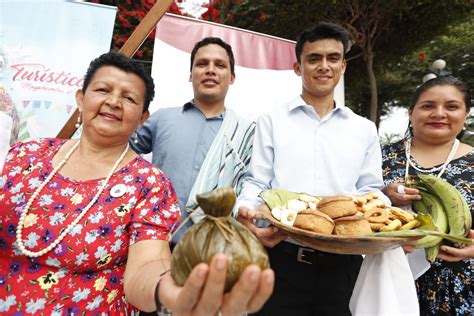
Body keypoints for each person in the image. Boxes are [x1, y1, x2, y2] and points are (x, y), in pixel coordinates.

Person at [0, 51, 273, 315]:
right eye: (102, 90)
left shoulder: (149, 184)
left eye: (129, 98)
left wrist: (168, 290)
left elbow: (149, 263)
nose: (114, 102)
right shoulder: (25, 155)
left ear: (143, 118)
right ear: (81, 99)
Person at [236, 22, 387, 315]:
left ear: (343, 65)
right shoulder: (272, 121)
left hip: (344, 265)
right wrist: (244, 210)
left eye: (333, 58)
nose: (324, 66)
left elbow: (371, 190)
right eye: (313, 58)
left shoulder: (364, 129)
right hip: (281, 257)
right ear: (297, 66)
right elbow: (258, 181)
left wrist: (382, 207)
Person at [131, 37, 255, 243]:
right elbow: (120, 154)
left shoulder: (246, 133)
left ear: (232, 77)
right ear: (191, 75)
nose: (210, 70)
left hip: (214, 248)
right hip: (154, 243)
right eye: (202, 64)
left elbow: (252, 186)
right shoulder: (162, 118)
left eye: (220, 65)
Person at [381, 76, 473, 315]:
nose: (439, 113)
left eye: (451, 106)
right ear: (411, 113)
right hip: (384, 281)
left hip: (457, 287)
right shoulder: (379, 157)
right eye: (428, 105)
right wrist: (383, 194)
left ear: (466, 114)